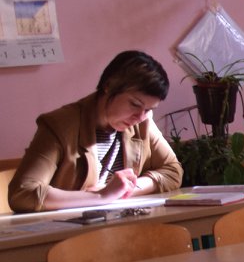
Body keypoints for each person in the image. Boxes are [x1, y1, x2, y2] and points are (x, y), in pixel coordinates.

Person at [9, 50, 182, 212]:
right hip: (68, 230)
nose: (140, 117)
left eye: (149, 109)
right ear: (109, 86)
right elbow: (22, 194)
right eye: (135, 104)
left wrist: (124, 189)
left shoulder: (143, 121)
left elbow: (173, 171)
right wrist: (101, 196)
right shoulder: (60, 124)